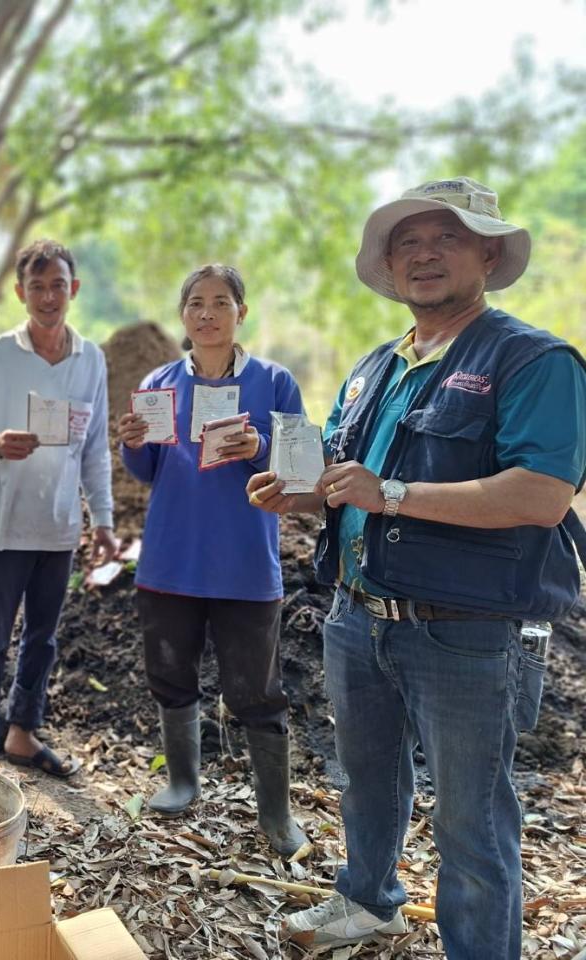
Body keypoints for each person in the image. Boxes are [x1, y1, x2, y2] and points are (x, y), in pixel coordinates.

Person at [247, 177, 586, 955]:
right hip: (358, 618)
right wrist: (295, 495)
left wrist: (390, 492)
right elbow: (344, 480)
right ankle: (368, 900)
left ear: (489, 254)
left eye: (446, 238)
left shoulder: (531, 361)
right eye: (407, 243)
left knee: (471, 819)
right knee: (365, 784)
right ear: (390, 266)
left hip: (465, 634)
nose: (423, 255)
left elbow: (539, 493)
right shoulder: (376, 368)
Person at [117, 264, 308, 858]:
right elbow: (146, 472)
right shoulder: (160, 381)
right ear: (183, 315)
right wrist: (132, 441)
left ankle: (275, 813)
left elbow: (300, 470)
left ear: (240, 313)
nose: (207, 313)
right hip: (171, 560)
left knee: (257, 691)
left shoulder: (275, 383)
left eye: (220, 302)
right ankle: (182, 780)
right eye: (195, 302)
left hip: (246, 565)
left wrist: (262, 449)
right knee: (171, 676)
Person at [0, 239, 117, 777]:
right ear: (20, 292)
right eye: (37, 286)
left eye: (58, 285)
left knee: (41, 640)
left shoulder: (90, 359)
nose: (48, 296)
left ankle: (22, 734)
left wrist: (104, 520)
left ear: (74, 289)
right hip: (2, 528)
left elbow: (95, 448)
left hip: (59, 528)